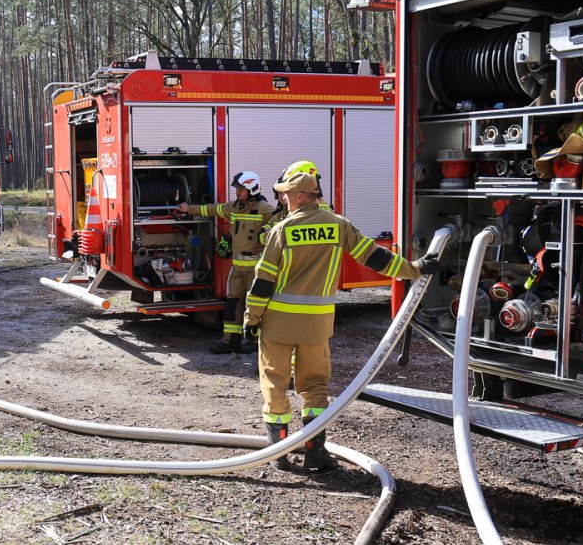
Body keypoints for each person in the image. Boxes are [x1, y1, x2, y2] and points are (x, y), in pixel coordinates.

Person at [246, 169, 439, 471]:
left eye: (286, 193)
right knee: (315, 387)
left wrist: (251, 318)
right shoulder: (339, 226)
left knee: (275, 384)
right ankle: (315, 452)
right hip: (316, 325)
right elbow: (376, 258)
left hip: (278, 324)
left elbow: (263, 281)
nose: (282, 198)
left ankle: (278, 454)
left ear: (300, 197)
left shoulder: (281, 230)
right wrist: (414, 268)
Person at [177, 171, 275, 354]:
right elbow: (212, 209)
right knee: (232, 306)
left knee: (255, 307)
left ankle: (254, 342)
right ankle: (231, 341)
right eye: (237, 189)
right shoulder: (234, 207)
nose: (237, 192)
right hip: (237, 268)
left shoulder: (265, 209)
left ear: (252, 189)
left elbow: (279, 225)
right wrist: (188, 208)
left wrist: (266, 233)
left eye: (240, 189)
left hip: (256, 270)